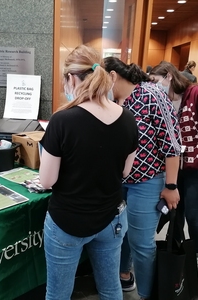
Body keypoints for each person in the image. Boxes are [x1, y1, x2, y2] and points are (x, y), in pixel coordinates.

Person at [39, 45, 138, 300]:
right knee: (110, 288)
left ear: (71, 78)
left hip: (68, 222)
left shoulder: (63, 120)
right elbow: (126, 171)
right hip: (111, 218)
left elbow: (47, 181)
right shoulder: (128, 118)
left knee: (58, 294)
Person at [103, 57, 181, 300]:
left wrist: (171, 185)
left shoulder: (151, 95)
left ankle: (146, 294)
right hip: (119, 182)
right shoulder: (112, 100)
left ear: (113, 76)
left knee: (142, 244)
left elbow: (172, 144)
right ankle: (125, 275)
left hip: (148, 181)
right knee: (120, 234)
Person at [149, 61, 198, 259]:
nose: (154, 87)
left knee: (193, 217)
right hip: (177, 168)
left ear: (169, 76)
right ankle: (178, 258)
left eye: (155, 81)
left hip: (194, 169)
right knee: (174, 215)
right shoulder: (165, 102)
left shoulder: (193, 94)